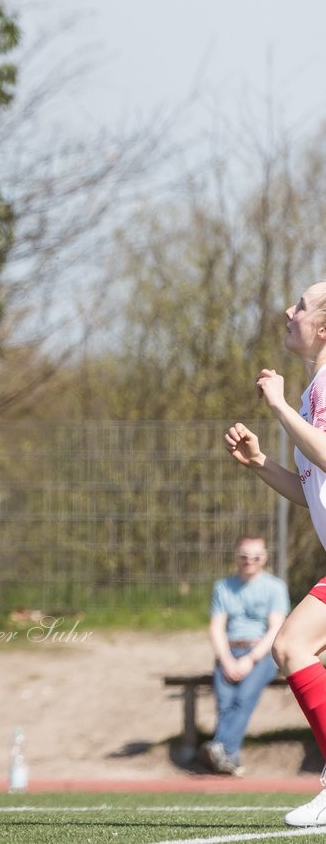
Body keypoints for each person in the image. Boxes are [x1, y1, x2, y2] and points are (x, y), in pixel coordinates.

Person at [226, 281, 326, 826]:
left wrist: (281, 406)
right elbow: (312, 483)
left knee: (290, 646)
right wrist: (261, 464)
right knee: (290, 648)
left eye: (302, 307)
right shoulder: (316, 391)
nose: (289, 312)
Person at [201, 535, 289, 776]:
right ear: (236, 557)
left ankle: (220, 747)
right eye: (244, 557)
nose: (250, 561)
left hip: (263, 653)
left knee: (244, 697)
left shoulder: (275, 587)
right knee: (225, 702)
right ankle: (230, 759)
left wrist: (250, 659)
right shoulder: (223, 587)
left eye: (256, 557)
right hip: (230, 651)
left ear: (265, 558)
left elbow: (275, 630)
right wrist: (227, 659)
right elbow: (216, 628)